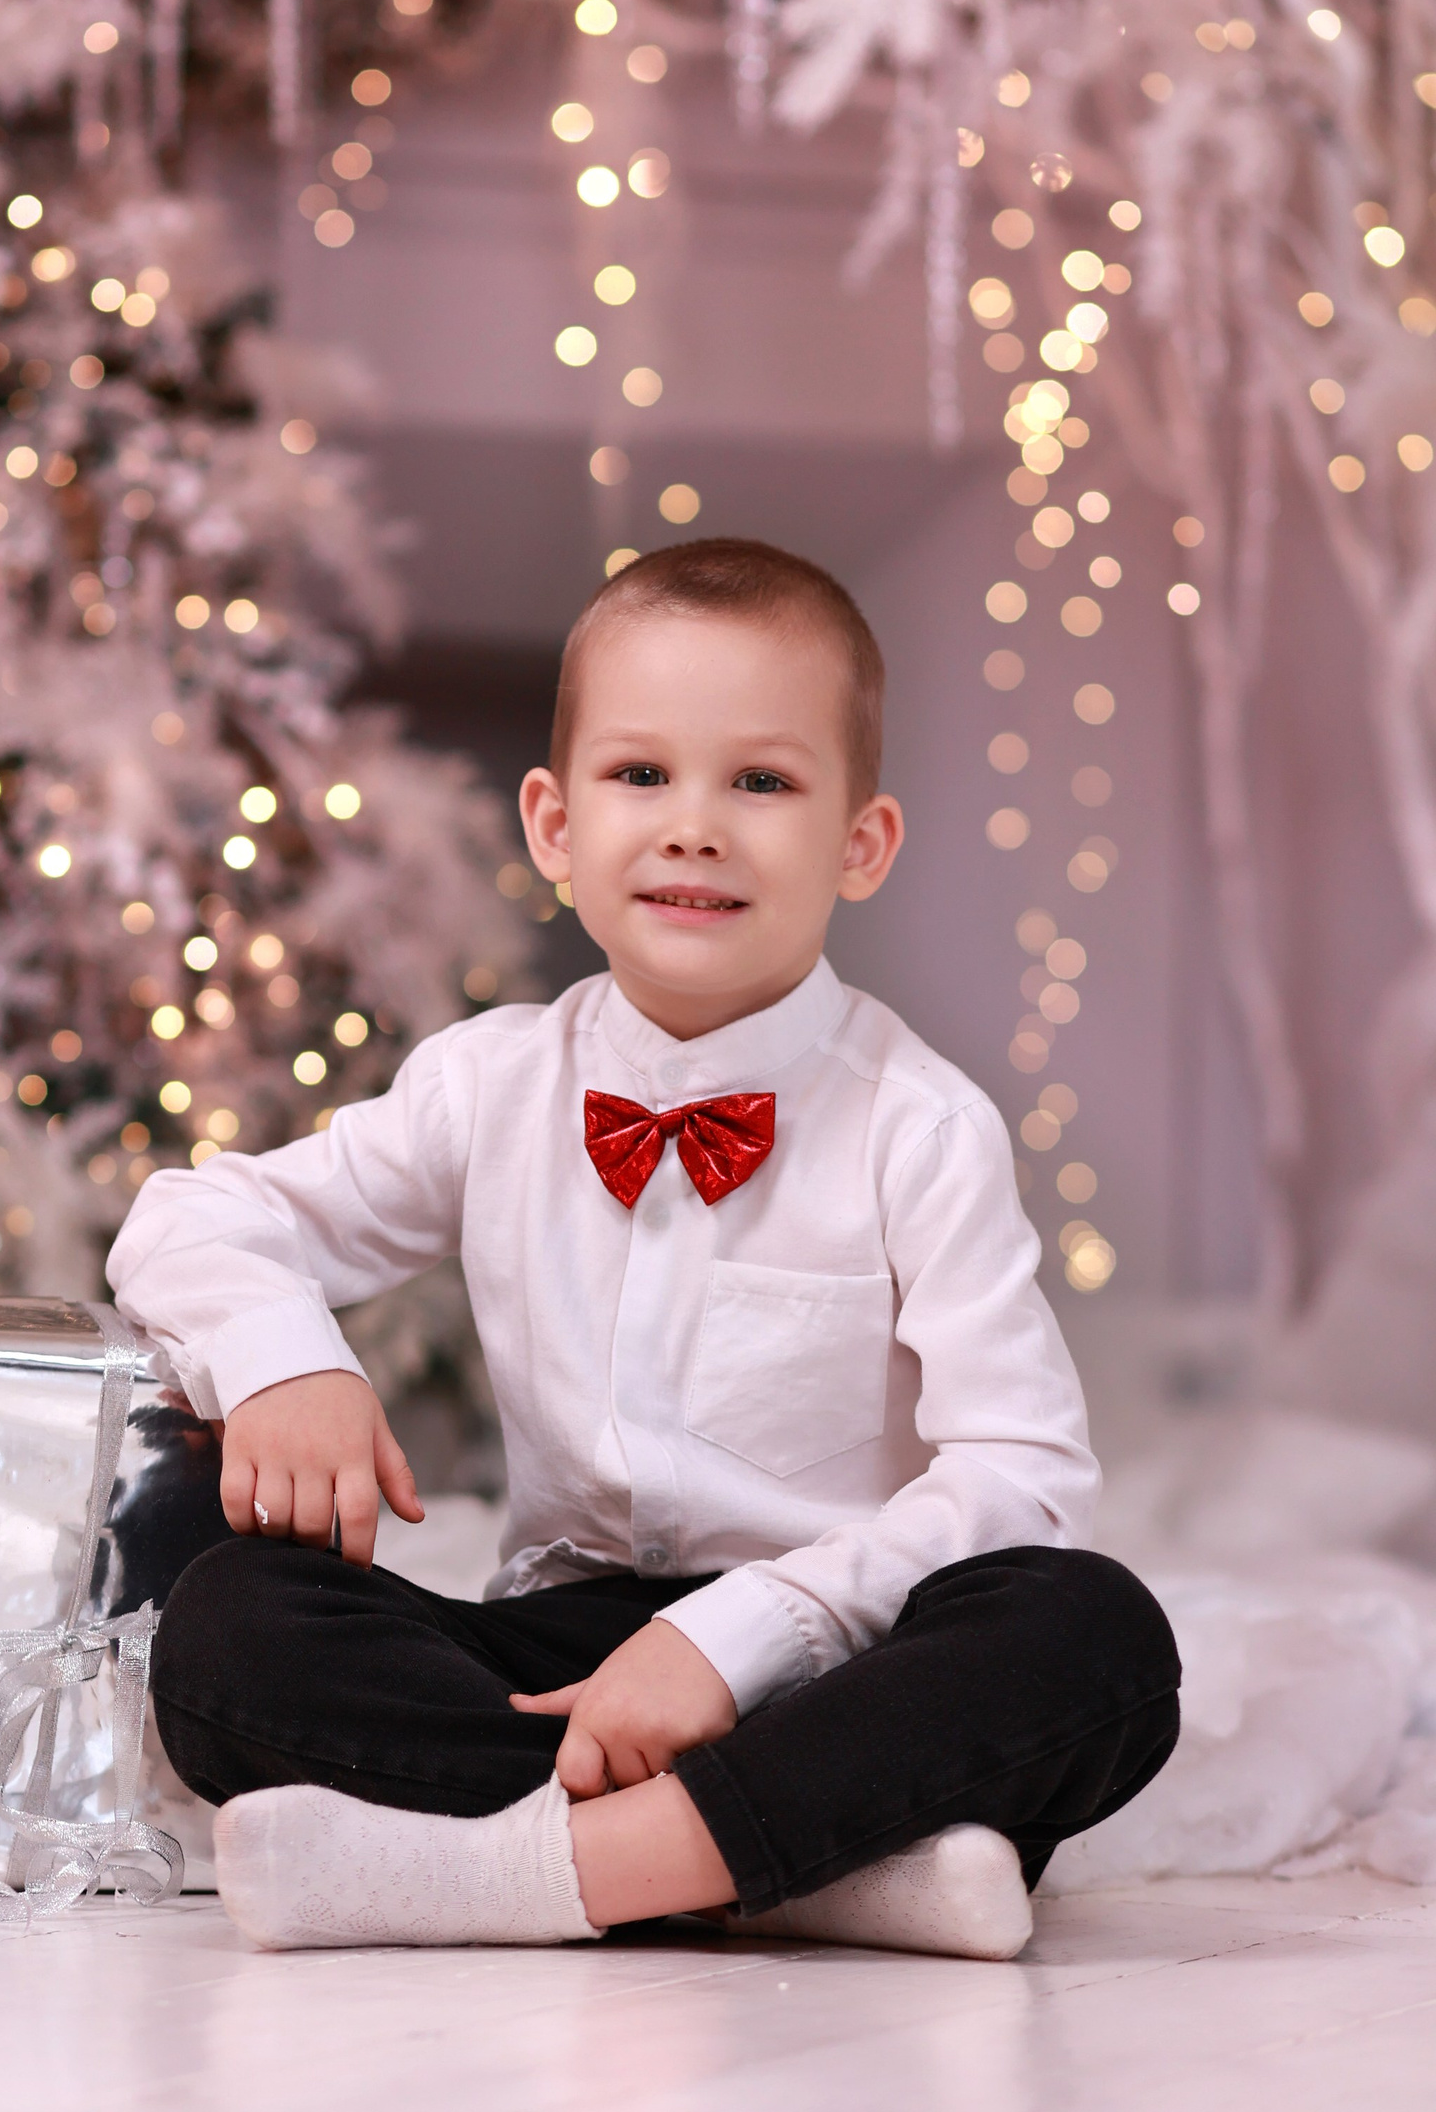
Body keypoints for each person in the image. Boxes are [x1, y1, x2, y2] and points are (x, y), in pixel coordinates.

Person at [109, 539, 1180, 1958]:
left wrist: (740, 1636)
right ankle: (839, 1865)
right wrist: (284, 1363)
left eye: (762, 782)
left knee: (1095, 1638)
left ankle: (514, 1873)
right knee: (231, 1629)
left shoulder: (920, 1126)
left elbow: (1024, 1477)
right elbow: (189, 1216)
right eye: (640, 775)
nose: (694, 828)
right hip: (569, 1665)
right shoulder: (492, 1084)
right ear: (554, 826)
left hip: (838, 1654)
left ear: (861, 843)